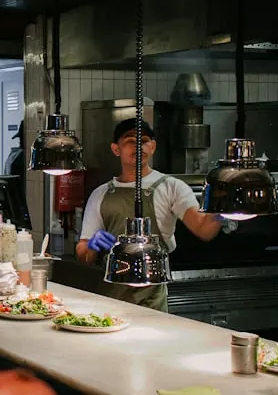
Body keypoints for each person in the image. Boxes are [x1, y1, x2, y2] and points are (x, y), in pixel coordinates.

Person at [76, 118, 232, 312]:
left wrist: (222, 205)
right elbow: (83, 255)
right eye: (131, 141)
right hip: (110, 301)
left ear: (153, 147)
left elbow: (204, 229)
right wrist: (91, 247)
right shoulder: (101, 194)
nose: (139, 146)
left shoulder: (172, 187)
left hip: (153, 302)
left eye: (145, 141)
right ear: (116, 149)